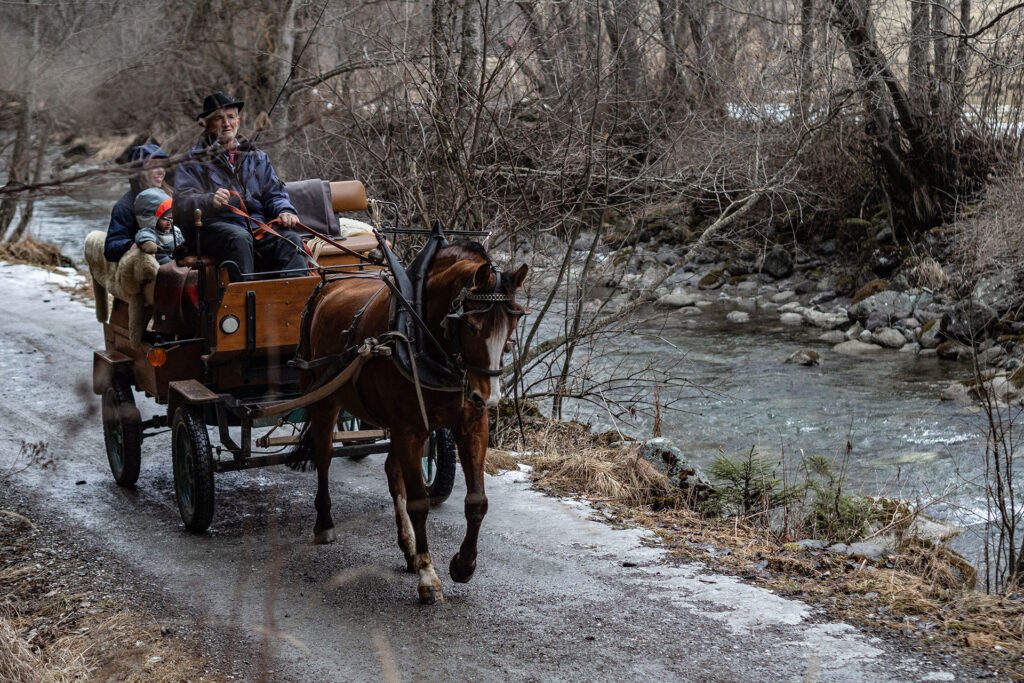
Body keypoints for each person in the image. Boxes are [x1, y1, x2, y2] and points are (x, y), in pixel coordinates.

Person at [173, 91, 307, 280]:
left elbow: (274, 193)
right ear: (207, 124)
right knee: (239, 238)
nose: (226, 123)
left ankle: (295, 297)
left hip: (256, 226)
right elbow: (182, 202)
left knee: (291, 239)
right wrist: (209, 200)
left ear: (238, 120)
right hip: (212, 228)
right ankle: (246, 297)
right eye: (219, 118)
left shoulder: (258, 157)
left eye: (230, 117)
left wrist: (285, 210)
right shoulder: (192, 160)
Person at [103, 144, 170, 262]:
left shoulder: (169, 197)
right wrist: (133, 246)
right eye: (154, 166)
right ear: (139, 171)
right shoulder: (125, 206)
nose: (161, 171)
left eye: (162, 165)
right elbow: (110, 248)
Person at [134, 188, 183, 265]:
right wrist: (148, 243)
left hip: (179, 261)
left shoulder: (175, 230)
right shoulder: (151, 232)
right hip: (165, 265)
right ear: (154, 219)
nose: (169, 222)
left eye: (172, 217)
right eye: (165, 218)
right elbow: (144, 236)